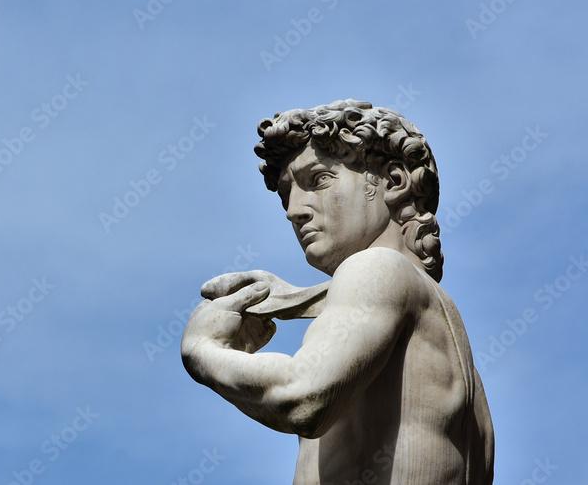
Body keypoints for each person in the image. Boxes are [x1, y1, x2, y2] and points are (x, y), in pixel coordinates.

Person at [180, 99, 494, 484]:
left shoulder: (376, 268)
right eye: (286, 193)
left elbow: (302, 395)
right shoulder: (456, 356)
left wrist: (204, 352)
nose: (294, 209)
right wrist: (290, 299)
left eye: (318, 180)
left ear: (393, 182)